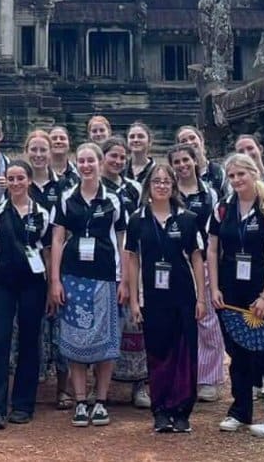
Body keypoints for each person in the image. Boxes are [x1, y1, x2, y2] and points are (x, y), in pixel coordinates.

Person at [208, 153, 264, 439]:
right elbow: (212, 249)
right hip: (232, 292)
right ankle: (240, 411)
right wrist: (215, 287)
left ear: (254, 173)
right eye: (231, 176)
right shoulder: (223, 208)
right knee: (238, 353)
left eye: (241, 174)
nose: (236, 180)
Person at [124, 162, 207, 433]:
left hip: (183, 295)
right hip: (152, 297)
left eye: (166, 181)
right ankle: (160, 410)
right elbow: (133, 260)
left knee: (184, 353)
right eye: (156, 181)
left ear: (173, 186)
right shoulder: (137, 219)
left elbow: (197, 258)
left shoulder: (187, 218)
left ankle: (182, 410)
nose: (161, 186)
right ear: (148, 186)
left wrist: (201, 299)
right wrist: (134, 301)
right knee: (158, 353)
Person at [50, 142, 129, 429]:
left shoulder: (114, 199)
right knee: (75, 338)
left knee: (105, 340)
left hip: (106, 276)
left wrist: (125, 280)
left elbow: (122, 241)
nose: (86, 166)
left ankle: (101, 400)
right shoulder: (66, 198)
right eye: (81, 161)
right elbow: (57, 239)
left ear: (100, 163)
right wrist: (55, 280)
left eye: (90, 161)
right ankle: (81, 401)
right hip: (73, 277)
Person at [0, 159, 51, 429]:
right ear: (6, 181)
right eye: (11, 178)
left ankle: (22, 404)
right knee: (0, 341)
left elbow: (47, 253)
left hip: (33, 284)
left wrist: (52, 287)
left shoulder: (42, 214)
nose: (16, 183)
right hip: (2, 284)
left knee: (30, 341)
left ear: (29, 180)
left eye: (21, 178)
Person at [170, 143, 226, 404]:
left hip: (203, 262)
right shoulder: (168, 193)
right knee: (177, 321)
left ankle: (208, 379)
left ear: (195, 161)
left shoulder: (210, 194)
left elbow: (216, 232)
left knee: (208, 321)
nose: (182, 165)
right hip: (175, 264)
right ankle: (180, 376)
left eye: (186, 160)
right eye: (177, 162)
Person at [98, 136, 147, 409]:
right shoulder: (92, 186)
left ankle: (140, 384)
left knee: (135, 322)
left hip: (135, 258)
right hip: (104, 263)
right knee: (104, 324)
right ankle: (102, 386)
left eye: (121, 157)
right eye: (112, 156)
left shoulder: (134, 188)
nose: (117, 161)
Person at [24, 129, 70, 406]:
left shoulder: (64, 186)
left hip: (60, 262)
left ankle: (64, 389)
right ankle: (31, 383)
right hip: (26, 266)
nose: (39, 155)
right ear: (26, 151)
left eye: (44, 149)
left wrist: (55, 276)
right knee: (30, 324)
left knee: (61, 324)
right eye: (34, 149)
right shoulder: (20, 181)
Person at [176, 125, 225, 193]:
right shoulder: (176, 177)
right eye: (183, 141)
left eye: (192, 138)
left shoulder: (219, 172)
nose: (189, 143)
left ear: (201, 140)